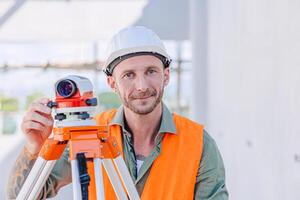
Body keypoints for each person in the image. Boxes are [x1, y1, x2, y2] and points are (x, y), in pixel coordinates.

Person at [6, 26, 228, 199]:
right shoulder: (88, 134)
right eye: (129, 75)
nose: (141, 85)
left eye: (151, 71)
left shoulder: (199, 143)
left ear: (166, 75)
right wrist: (33, 149)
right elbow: (22, 196)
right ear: (112, 83)